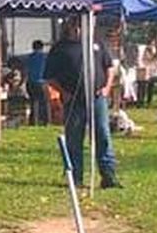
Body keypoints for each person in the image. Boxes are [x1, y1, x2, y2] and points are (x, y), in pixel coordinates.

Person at [46, 17, 122, 188]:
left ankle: (108, 175)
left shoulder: (97, 44)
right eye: (76, 26)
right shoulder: (60, 49)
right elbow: (50, 77)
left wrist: (107, 88)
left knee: (103, 134)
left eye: (82, 26)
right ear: (70, 27)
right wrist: (64, 93)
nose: (79, 30)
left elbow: (109, 67)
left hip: (97, 98)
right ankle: (75, 177)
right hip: (74, 100)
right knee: (74, 138)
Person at [24, 40, 49, 126]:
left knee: (33, 102)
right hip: (41, 82)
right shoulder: (45, 57)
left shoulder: (29, 57)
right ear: (42, 47)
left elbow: (26, 71)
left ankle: (33, 121)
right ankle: (44, 121)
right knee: (43, 103)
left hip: (30, 83)